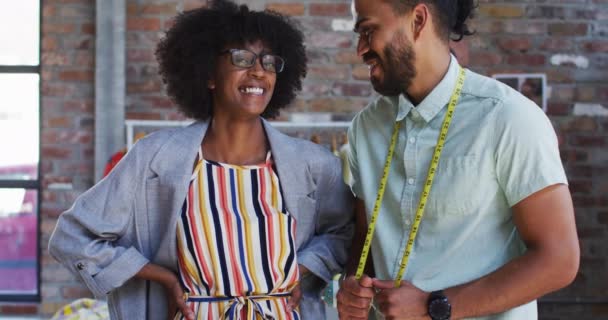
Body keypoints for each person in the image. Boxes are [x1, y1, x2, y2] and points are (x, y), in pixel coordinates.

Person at [48, 1, 354, 319]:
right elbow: (72, 236)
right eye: (242, 58)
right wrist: (160, 276)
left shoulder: (315, 165)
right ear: (208, 73)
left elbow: (344, 233)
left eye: (269, 61)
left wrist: (303, 268)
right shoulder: (154, 157)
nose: (259, 70)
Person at [337, 1, 579, 320]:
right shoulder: (366, 128)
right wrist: (353, 286)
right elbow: (367, 236)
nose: (360, 49)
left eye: (368, 31)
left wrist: (435, 306)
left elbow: (558, 259)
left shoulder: (508, 117)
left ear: (418, 20)